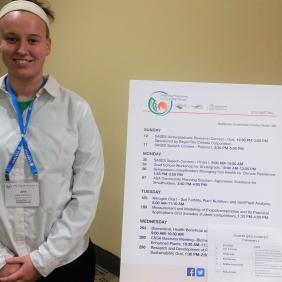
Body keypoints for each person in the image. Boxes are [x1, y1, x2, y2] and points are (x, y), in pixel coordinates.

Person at [0, 0, 104, 281]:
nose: (22, 49)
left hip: (65, 262)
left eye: (33, 40)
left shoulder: (77, 110)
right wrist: (1, 259)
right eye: (11, 38)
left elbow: (86, 194)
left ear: (48, 45)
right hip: (3, 263)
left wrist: (41, 260)